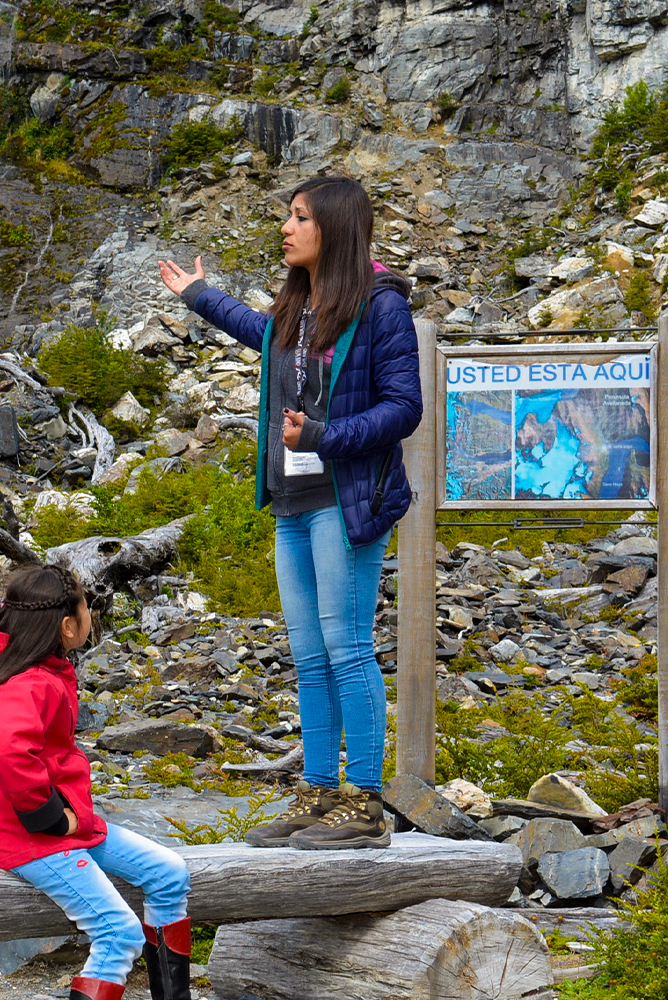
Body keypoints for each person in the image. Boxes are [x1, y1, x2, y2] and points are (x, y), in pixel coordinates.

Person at [158, 175, 422, 850]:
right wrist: (197, 295)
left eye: (299, 217)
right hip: (293, 501)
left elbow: (404, 408)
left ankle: (363, 802)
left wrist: (325, 438)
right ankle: (318, 791)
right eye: (288, 216)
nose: (286, 227)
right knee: (308, 655)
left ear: (333, 228)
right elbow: (257, 330)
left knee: (346, 648)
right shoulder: (300, 304)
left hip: (346, 497)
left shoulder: (381, 307)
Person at [0, 565, 193, 1000]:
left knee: (169, 873)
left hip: (69, 828)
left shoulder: (45, 672)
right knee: (119, 933)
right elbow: (10, 755)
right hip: (30, 837)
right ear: (67, 626)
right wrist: (47, 818)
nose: (90, 617)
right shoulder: (28, 684)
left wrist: (66, 819)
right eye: (87, 609)